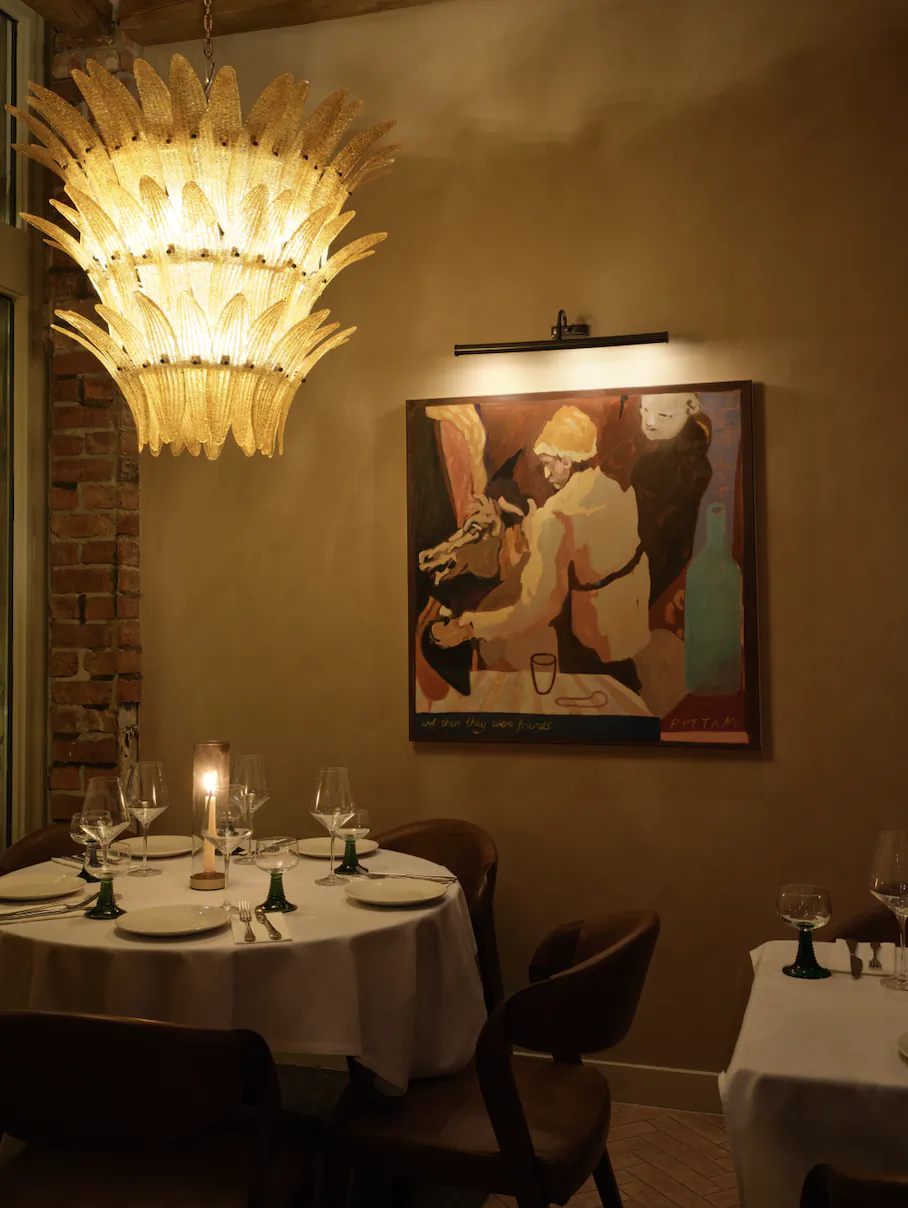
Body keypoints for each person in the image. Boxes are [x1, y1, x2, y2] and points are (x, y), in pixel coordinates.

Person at [433, 405, 651, 690]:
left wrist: (470, 626)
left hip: (594, 635)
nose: (546, 474)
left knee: (592, 696)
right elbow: (588, 542)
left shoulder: (557, 515)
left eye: (549, 463)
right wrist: (530, 518)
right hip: (631, 615)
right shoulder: (613, 489)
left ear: (566, 461)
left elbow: (537, 607)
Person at [631, 392, 713, 606]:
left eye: (664, 415)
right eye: (645, 411)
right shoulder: (655, 459)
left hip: (658, 573)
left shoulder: (683, 470)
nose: (650, 422)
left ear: (688, 410)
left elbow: (658, 540)